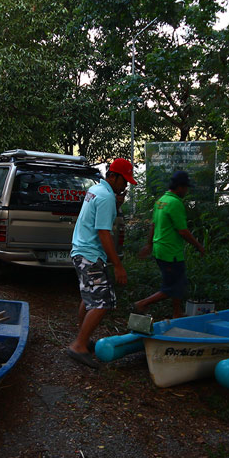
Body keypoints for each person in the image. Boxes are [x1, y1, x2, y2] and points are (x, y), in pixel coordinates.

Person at [66, 158, 137, 368]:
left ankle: (84, 339)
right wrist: (118, 265)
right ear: (113, 176)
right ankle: (78, 345)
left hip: (81, 250)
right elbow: (104, 233)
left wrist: (116, 203)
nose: (125, 186)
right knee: (103, 301)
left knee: (89, 298)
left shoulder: (97, 190)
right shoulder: (106, 197)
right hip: (90, 254)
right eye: (124, 181)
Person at [135, 170, 205, 319]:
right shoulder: (175, 203)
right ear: (179, 187)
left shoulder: (161, 201)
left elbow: (153, 225)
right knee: (172, 287)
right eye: (185, 187)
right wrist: (198, 246)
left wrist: (149, 244)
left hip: (160, 249)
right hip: (170, 252)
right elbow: (183, 231)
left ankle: (176, 313)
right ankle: (142, 303)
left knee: (178, 282)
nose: (186, 191)